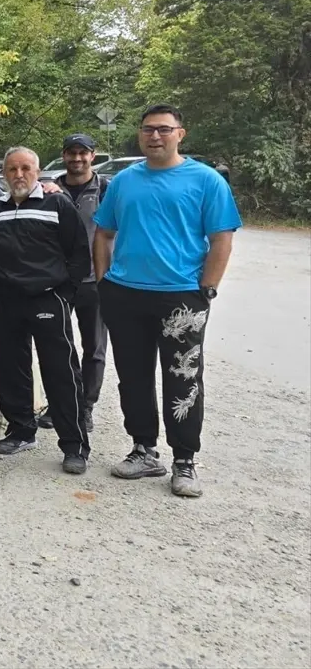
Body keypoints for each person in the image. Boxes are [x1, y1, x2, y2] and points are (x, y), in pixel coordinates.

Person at [94, 104, 241, 498]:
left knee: (183, 378)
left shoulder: (206, 181)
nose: (154, 136)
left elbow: (222, 238)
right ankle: (143, 449)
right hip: (125, 295)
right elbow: (104, 233)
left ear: (181, 133)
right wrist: (103, 280)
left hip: (181, 299)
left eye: (163, 129)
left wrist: (207, 288)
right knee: (133, 376)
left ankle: (184, 460)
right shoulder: (124, 181)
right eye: (147, 130)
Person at [0, 148, 91, 474]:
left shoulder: (57, 204)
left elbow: (79, 252)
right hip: (5, 301)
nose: (19, 175)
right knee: (11, 369)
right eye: (12, 169)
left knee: (61, 372)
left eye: (26, 168)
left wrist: (65, 294)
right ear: (4, 173)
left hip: (47, 299)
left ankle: (74, 445)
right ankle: (21, 430)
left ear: (37, 172)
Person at [38, 133, 109, 433]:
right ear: (64, 155)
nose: (77, 158)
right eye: (71, 153)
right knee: (58, 346)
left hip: (95, 281)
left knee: (94, 348)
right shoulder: (49, 189)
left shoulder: (107, 189)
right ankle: (60, 403)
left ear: (93, 156)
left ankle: (86, 406)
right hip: (58, 281)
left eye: (83, 153)